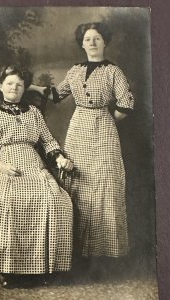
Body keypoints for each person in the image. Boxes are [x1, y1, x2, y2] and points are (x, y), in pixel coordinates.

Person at [45, 22, 135, 272]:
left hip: (104, 129)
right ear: (82, 43)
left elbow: (126, 104)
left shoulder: (113, 71)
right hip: (78, 131)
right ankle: (76, 254)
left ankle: (105, 256)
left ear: (105, 41)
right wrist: (30, 86)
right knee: (78, 182)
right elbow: (57, 94)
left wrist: (105, 119)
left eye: (97, 38)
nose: (92, 42)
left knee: (106, 184)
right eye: (87, 39)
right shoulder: (75, 70)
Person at [0, 65, 73, 288]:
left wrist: (58, 158)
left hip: (34, 164)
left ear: (24, 89)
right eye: (9, 83)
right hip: (6, 165)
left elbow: (48, 141)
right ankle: (9, 267)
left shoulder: (34, 113)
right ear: (1, 86)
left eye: (19, 84)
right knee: (3, 201)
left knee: (57, 199)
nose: (14, 88)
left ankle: (45, 266)